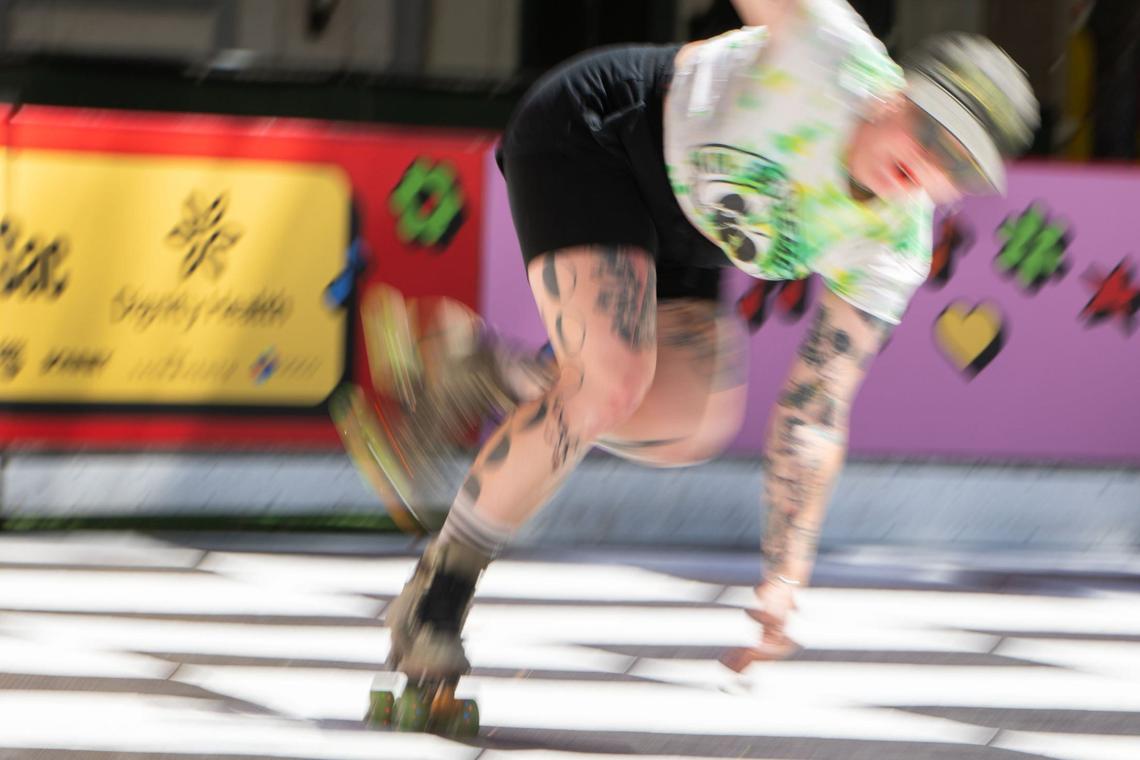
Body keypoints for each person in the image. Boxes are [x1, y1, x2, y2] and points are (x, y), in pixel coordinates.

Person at [357, 0, 1039, 720]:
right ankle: (437, 602)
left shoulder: (890, 246)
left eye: (957, 165)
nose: (928, 164)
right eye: (928, 131)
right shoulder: (829, 49)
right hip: (605, 132)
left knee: (691, 424)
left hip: (691, 229)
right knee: (610, 384)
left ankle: (483, 369)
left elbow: (816, 405)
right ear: (896, 92)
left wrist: (786, 575)